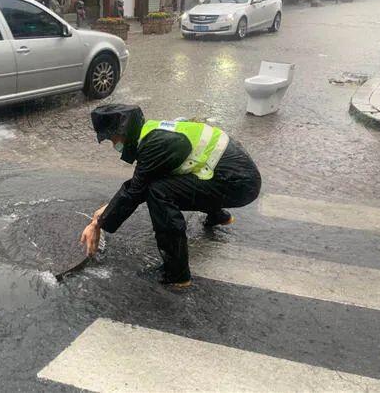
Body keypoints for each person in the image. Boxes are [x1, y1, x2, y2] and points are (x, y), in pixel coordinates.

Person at [80, 104, 261, 288]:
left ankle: (177, 274)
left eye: (112, 139)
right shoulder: (154, 131)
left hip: (239, 184)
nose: (114, 145)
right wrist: (105, 212)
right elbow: (142, 181)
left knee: (158, 192)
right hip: (234, 174)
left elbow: (137, 189)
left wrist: (98, 223)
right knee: (176, 178)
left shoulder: (155, 144)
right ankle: (219, 216)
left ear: (123, 131)